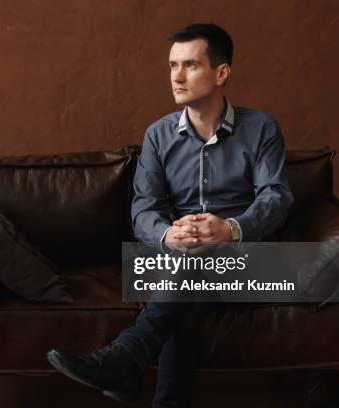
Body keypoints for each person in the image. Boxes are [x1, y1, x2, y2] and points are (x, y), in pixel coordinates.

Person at [47, 23, 294, 407]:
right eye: (172, 65)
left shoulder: (261, 129)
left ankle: (124, 358)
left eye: (190, 65)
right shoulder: (158, 136)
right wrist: (167, 236)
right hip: (175, 261)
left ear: (221, 73)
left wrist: (228, 229)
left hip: (249, 262)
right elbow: (143, 208)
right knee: (185, 294)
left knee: (187, 282)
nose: (177, 76)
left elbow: (276, 198)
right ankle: (132, 369)